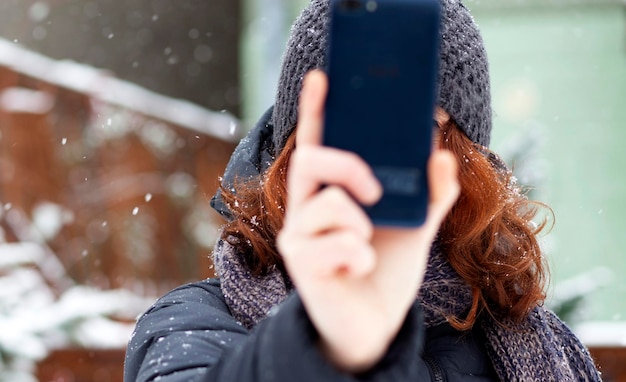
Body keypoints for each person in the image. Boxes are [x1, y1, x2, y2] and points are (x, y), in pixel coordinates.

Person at [124, 0, 602, 381]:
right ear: (295, 152)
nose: (373, 157)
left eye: (417, 129)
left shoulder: (538, 346)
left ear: (465, 166)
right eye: (350, 127)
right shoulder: (191, 324)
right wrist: (324, 348)